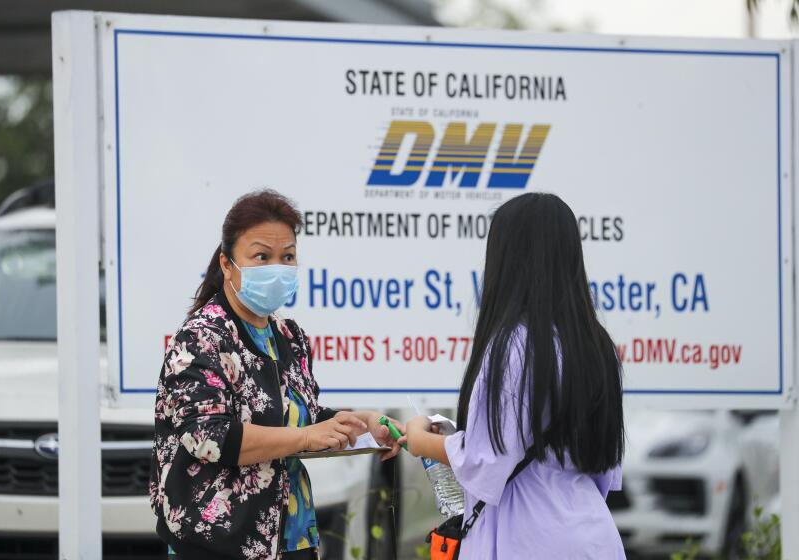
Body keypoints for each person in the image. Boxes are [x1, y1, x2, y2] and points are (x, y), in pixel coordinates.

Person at [149, 189, 404, 560]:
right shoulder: (202, 338)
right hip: (220, 543)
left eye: (287, 257)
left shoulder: (289, 336)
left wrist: (358, 425)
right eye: (261, 257)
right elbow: (208, 437)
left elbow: (296, 418)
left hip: (293, 536)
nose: (277, 268)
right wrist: (305, 435)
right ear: (226, 263)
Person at [401, 193, 626, 559]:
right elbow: (603, 472)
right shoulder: (597, 345)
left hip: (529, 539)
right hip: (595, 537)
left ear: (505, 260)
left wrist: (417, 438)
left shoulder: (515, 345)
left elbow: (485, 461)